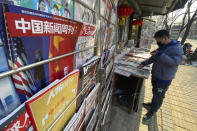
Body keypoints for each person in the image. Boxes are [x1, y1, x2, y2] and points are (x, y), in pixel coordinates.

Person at [138, 30, 184, 122]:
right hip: (156, 75)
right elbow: (154, 57)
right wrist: (144, 63)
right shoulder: (163, 46)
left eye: (158, 40)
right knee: (155, 92)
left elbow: (174, 63)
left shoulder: (177, 48)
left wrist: (160, 54)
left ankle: (152, 111)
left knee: (159, 96)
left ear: (165, 38)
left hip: (164, 79)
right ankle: (152, 104)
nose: (157, 43)